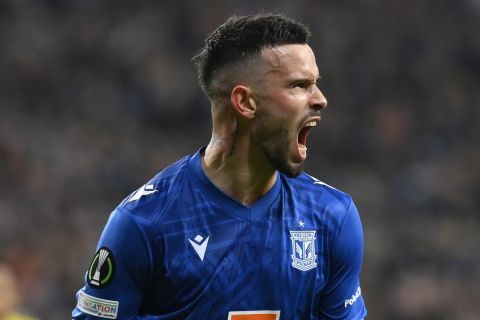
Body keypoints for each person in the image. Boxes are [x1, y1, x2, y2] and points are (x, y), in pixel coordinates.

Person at [72, 13, 367, 319]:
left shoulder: (330, 217)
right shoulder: (144, 222)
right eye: (299, 85)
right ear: (245, 102)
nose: (320, 99)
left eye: (316, 84)